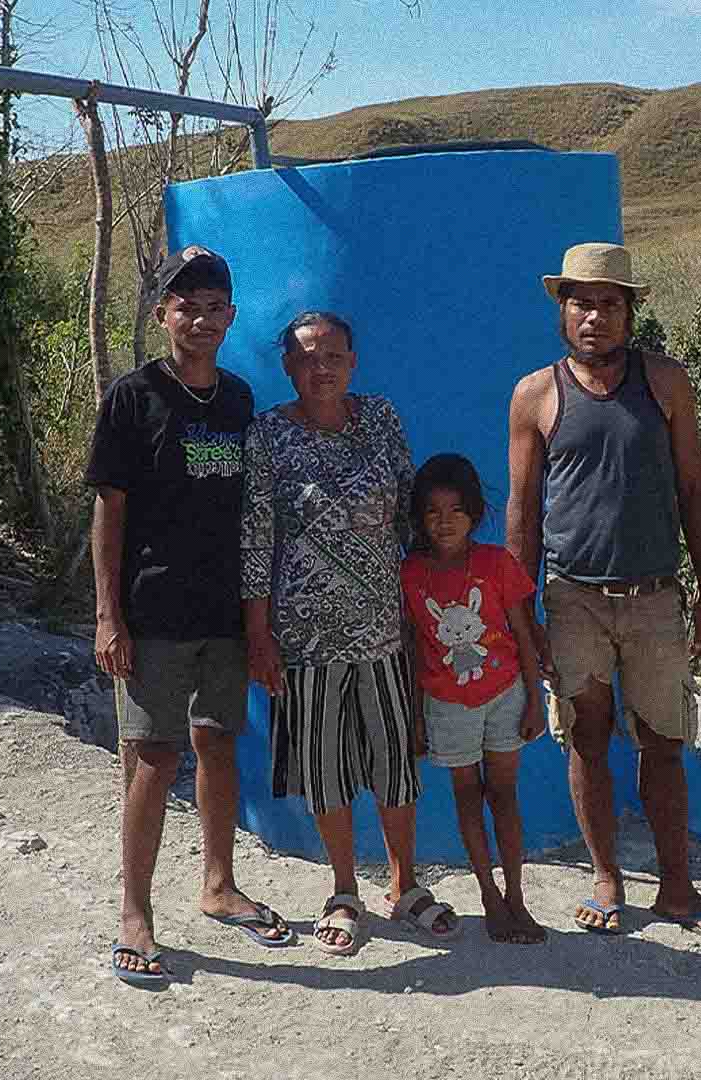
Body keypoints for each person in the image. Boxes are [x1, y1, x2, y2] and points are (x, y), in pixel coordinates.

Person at [504, 242, 701, 945]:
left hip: (654, 596)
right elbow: (523, 509)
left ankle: (677, 890)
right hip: (571, 594)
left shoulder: (666, 384)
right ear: (563, 310)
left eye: (611, 304)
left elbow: (695, 489)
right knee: (585, 736)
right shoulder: (536, 394)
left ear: (629, 312)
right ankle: (607, 878)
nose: (595, 317)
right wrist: (523, 615)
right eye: (582, 302)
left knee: (665, 743)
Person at [87, 245, 293, 986]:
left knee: (217, 745)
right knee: (151, 756)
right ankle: (135, 914)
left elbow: (256, 516)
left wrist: (258, 619)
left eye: (213, 307)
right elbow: (109, 514)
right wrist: (109, 616)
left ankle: (218, 885)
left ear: (230, 317)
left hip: (225, 613)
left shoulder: (239, 400)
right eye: (185, 306)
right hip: (153, 612)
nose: (199, 319)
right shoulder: (133, 397)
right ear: (161, 314)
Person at [242, 311, 461, 955]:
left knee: (395, 765)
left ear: (353, 361)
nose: (322, 367)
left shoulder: (382, 420)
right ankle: (344, 890)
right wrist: (260, 633)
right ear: (288, 365)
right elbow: (255, 537)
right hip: (305, 637)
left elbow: (408, 518)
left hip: (383, 630)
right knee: (327, 769)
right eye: (308, 356)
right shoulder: (268, 435)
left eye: (333, 354)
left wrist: (427, 608)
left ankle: (405, 885)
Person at [400, 453, 548, 945]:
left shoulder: (495, 564)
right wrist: (418, 719)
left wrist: (534, 699)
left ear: (475, 514)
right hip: (446, 705)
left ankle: (517, 897)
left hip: (506, 696)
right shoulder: (410, 575)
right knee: (468, 796)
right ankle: (488, 897)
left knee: (504, 797)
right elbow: (415, 646)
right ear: (419, 516)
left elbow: (524, 633)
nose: (445, 522)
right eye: (433, 511)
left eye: (457, 510)